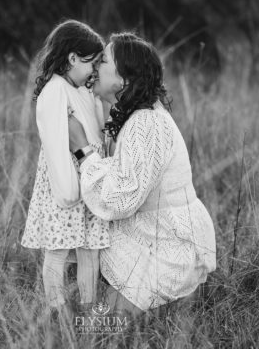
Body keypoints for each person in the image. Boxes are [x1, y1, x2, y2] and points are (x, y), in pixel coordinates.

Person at [68, 32, 217, 313]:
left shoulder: (146, 123)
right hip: (151, 234)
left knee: (103, 327)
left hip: (169, 249)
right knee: (74, 262)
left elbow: (120, 200)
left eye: (103, 61)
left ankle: (175, 303)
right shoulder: (129, 116)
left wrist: (81, 151)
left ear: (124, 78)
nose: (94, 67)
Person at [21, 20, 110, 312]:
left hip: (89, 181)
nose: (95, 70)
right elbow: (56, 146)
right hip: (65, 188)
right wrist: (70, 192)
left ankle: (88, 309)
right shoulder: (55, 91)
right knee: (57, 251)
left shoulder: (83, 89)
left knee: (90, 250)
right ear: (72, 58)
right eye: (91, 63)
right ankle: (56, 312)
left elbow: (95, 133)